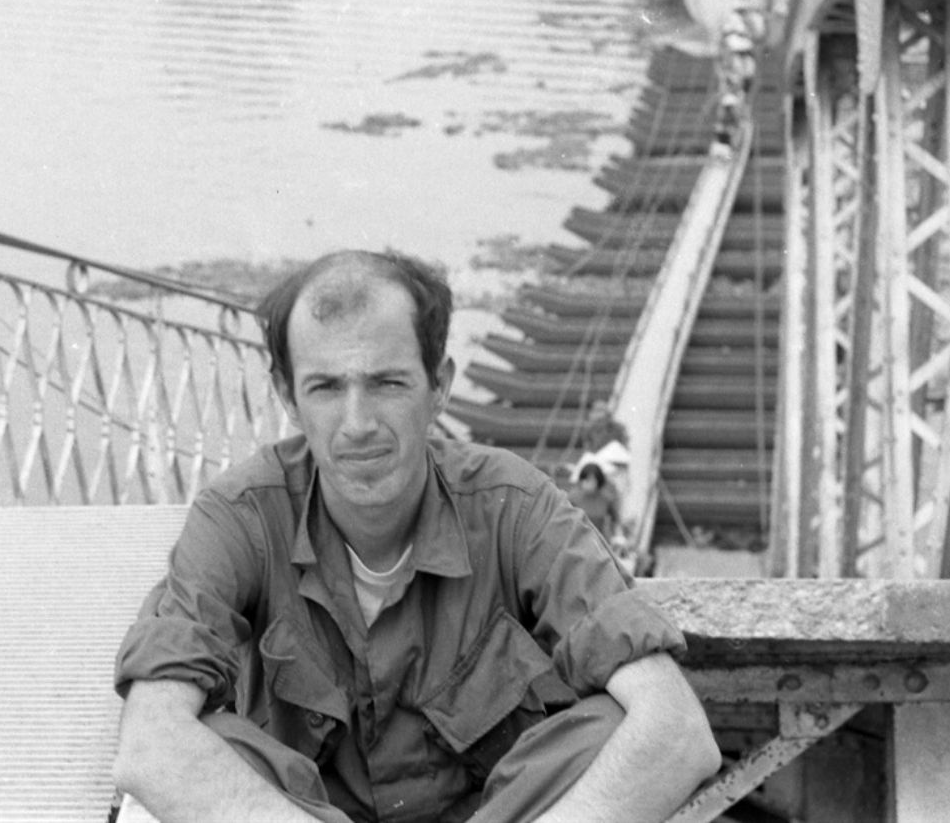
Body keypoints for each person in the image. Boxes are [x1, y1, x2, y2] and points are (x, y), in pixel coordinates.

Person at [112, 250, 720, 823]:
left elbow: (677, 731)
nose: (358, 426)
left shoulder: (514, 506)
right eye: (326, 387)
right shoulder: (239, 517)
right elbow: (151, 743)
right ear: (288, 398)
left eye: (388, 383)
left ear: (440, 385)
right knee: (207, 742)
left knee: (610, 727)